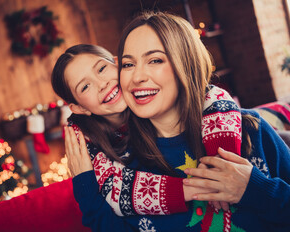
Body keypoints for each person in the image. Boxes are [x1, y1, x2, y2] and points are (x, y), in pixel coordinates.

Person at [71, 11, 290, 232]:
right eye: (128, 65)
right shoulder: (125, 172)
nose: (137, 77)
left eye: (155, 60)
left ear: (185, 63)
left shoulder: (250, 129)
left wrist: (254, 189)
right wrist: (85, 187)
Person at [51, 42, 242, 215]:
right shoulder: (86, 145)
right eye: (85, 87)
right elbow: (116, 191)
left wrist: (220, 162)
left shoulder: (148, 93)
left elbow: (211, 94)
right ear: (79, 108)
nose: (102, 84)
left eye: (101, 69)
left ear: (118, 64)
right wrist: (198, 187)